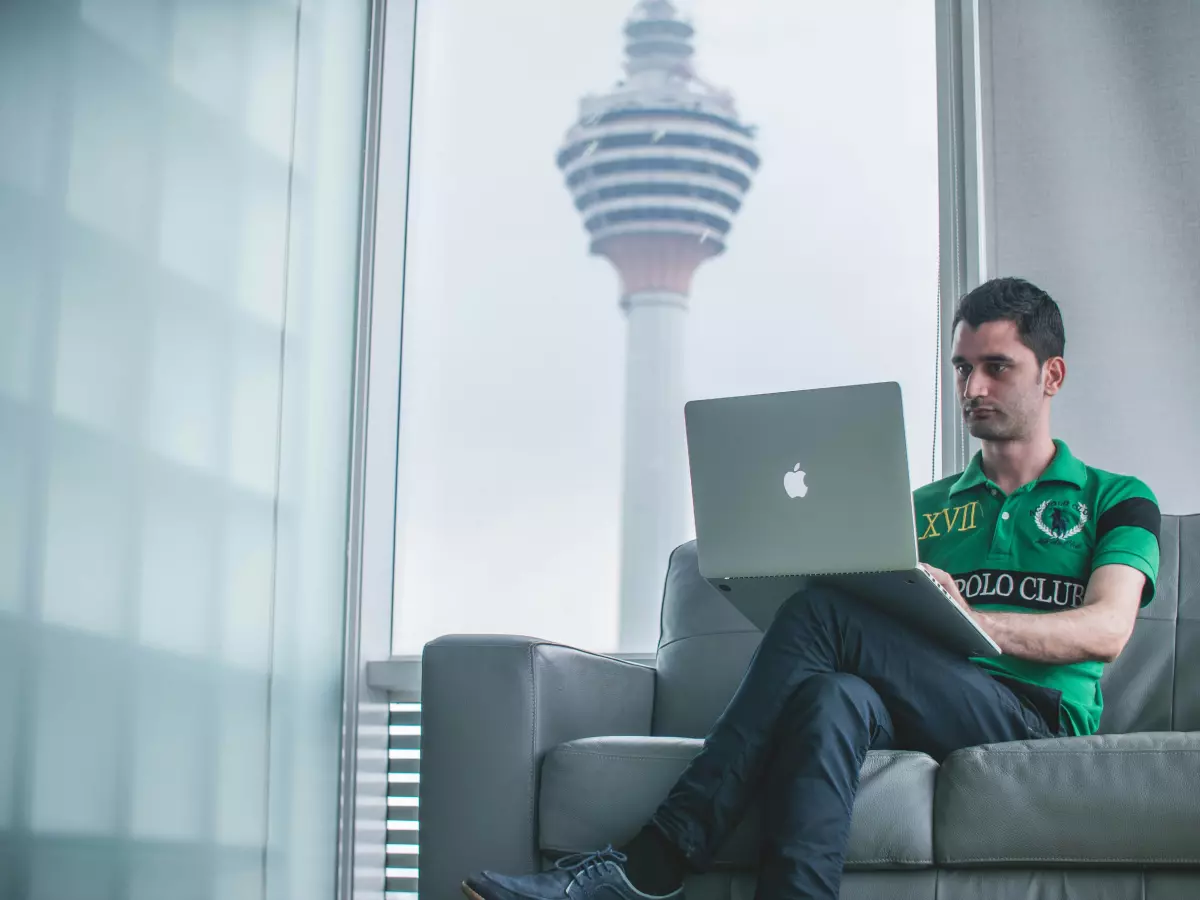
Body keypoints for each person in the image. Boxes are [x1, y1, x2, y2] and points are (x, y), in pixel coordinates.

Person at [462, 277, 1162, 900]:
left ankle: (654, 859)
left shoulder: (1116, 498)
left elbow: (1106, 628)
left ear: (1053, 375)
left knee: (822, 615)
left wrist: (966, 616)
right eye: (961, 368)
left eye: (996, 368)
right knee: (831, 696)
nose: (972, 388)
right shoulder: (921, 508)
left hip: (1033, 715)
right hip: (927, 699)